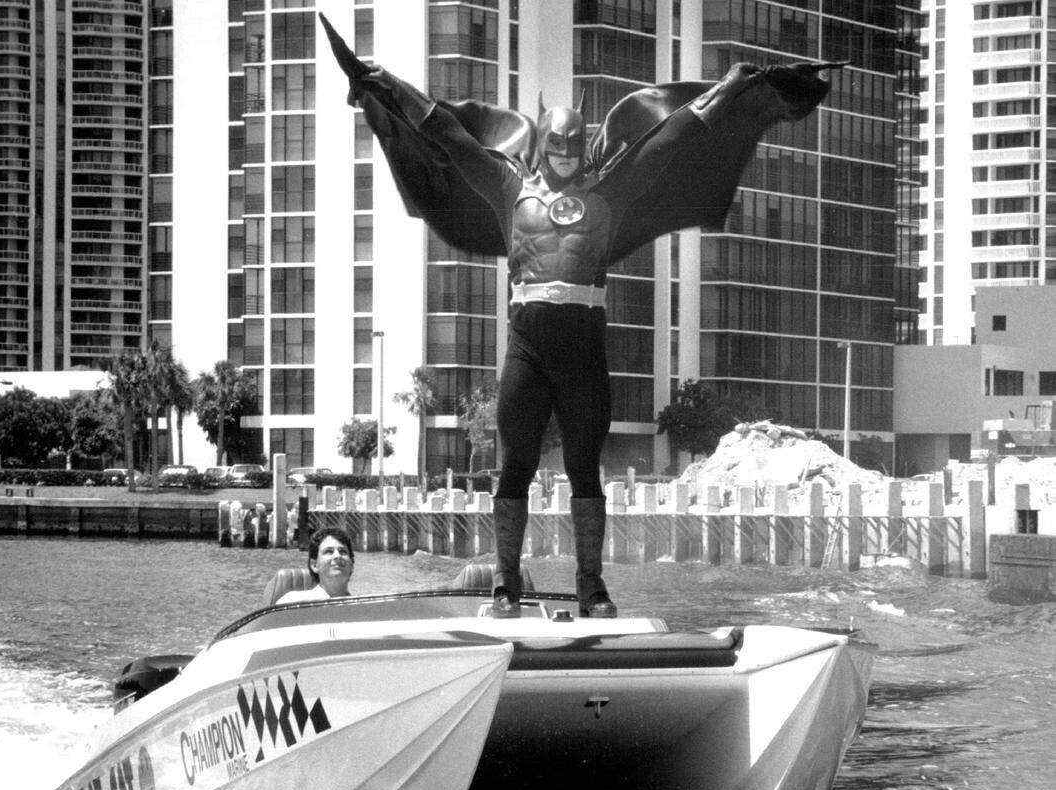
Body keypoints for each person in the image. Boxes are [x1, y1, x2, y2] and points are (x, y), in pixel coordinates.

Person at [320, 14, 834, 619]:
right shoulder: (508, 189)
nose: (563, 156)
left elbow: (676, 138)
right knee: (513, 466)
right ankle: (506, 583)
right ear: (542, 145)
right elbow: (444, 133)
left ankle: (592, 586)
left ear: (581, 144)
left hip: (584, 350)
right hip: (528, 348)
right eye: (555, 147)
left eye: (571, 147)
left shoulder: (611, 195)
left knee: (585, 468)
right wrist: (388, 84)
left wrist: (733, 86)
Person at [274, 527, 355, 604]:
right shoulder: (291, 603)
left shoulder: (361, 608)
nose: (338, 556)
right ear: (314, 565)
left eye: (343, 551)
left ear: (351, 565)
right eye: (329, 551)